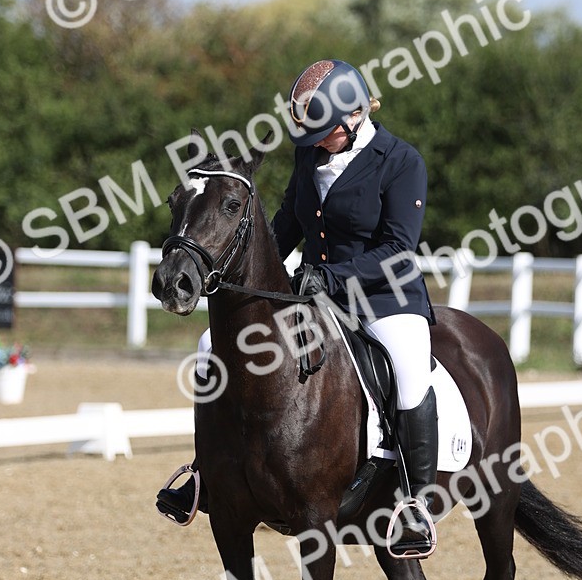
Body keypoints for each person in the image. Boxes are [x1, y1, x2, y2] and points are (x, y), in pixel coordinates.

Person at [157, 58, 438, 553]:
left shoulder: (400, 161)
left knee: (408, 367)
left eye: (323, 132)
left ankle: (415, 506)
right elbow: (284, 224)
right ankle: (206, 472)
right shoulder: (311, 159)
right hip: (313, 294)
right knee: (210, 344)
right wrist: (256, 270)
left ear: (355, 115)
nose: (314, 144)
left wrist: (329, 275)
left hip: (384, 299)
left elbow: (399, 248)